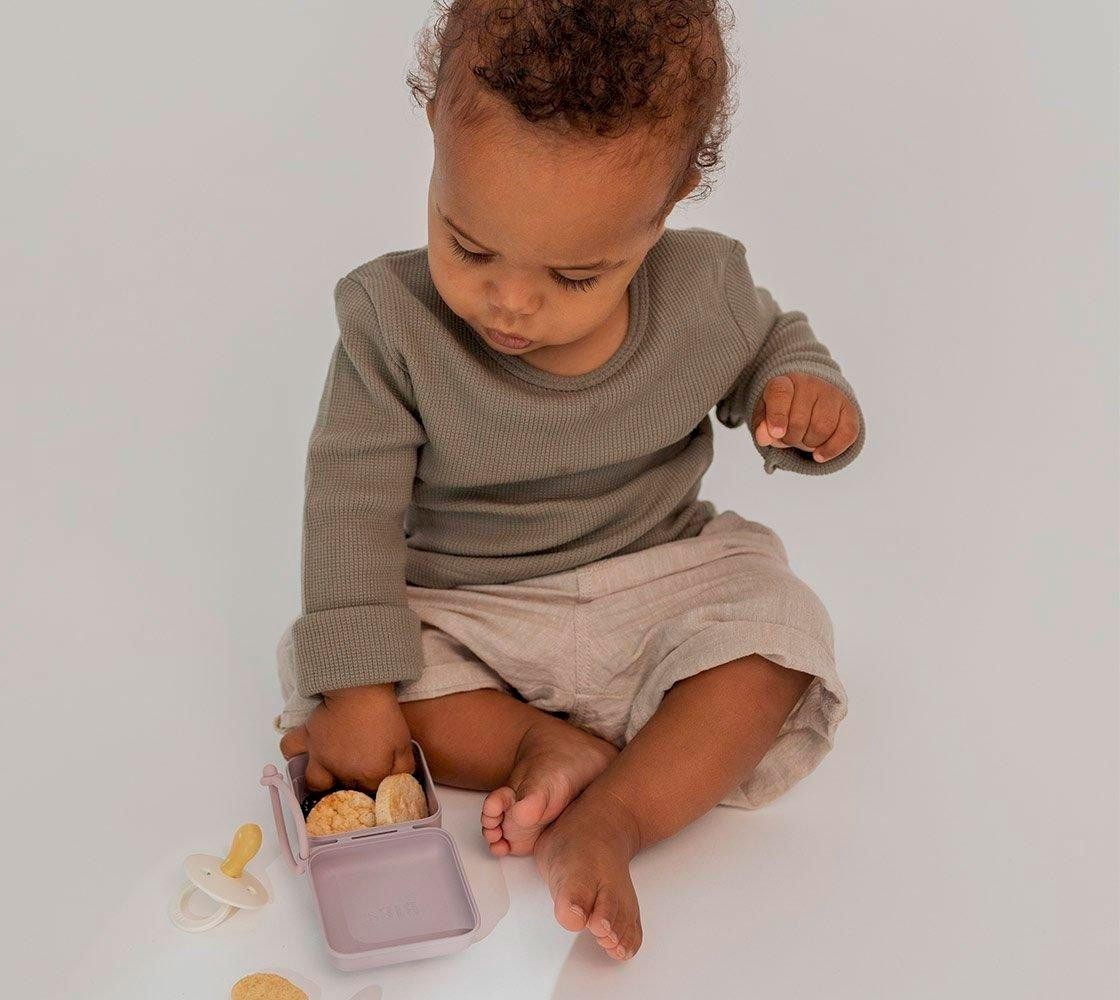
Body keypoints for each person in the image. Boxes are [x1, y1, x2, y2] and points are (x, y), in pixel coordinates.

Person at [277, 0, 865, 961]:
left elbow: (769, 346)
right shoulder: (391, 325)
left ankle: (615, 818)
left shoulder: (704, 291)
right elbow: (349, 501)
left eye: (577, 275)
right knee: (360, 682)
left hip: (655, 570)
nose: (509, 301)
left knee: (778, 637)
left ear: (665, 212)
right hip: (473, 603)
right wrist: (358, 690)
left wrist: (801, 395)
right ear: (434, 139)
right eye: (468, 246)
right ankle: (534, 745)